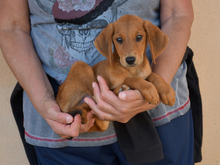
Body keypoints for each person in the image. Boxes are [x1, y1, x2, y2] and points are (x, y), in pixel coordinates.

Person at [0, 0, 194, 164]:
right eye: (119, 40)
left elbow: (178, 13)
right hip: (64, 133)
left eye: (138, 38)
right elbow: (11, 26)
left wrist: (159, 84)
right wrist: (44, 103)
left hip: (158, 122)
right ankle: (82, 111)